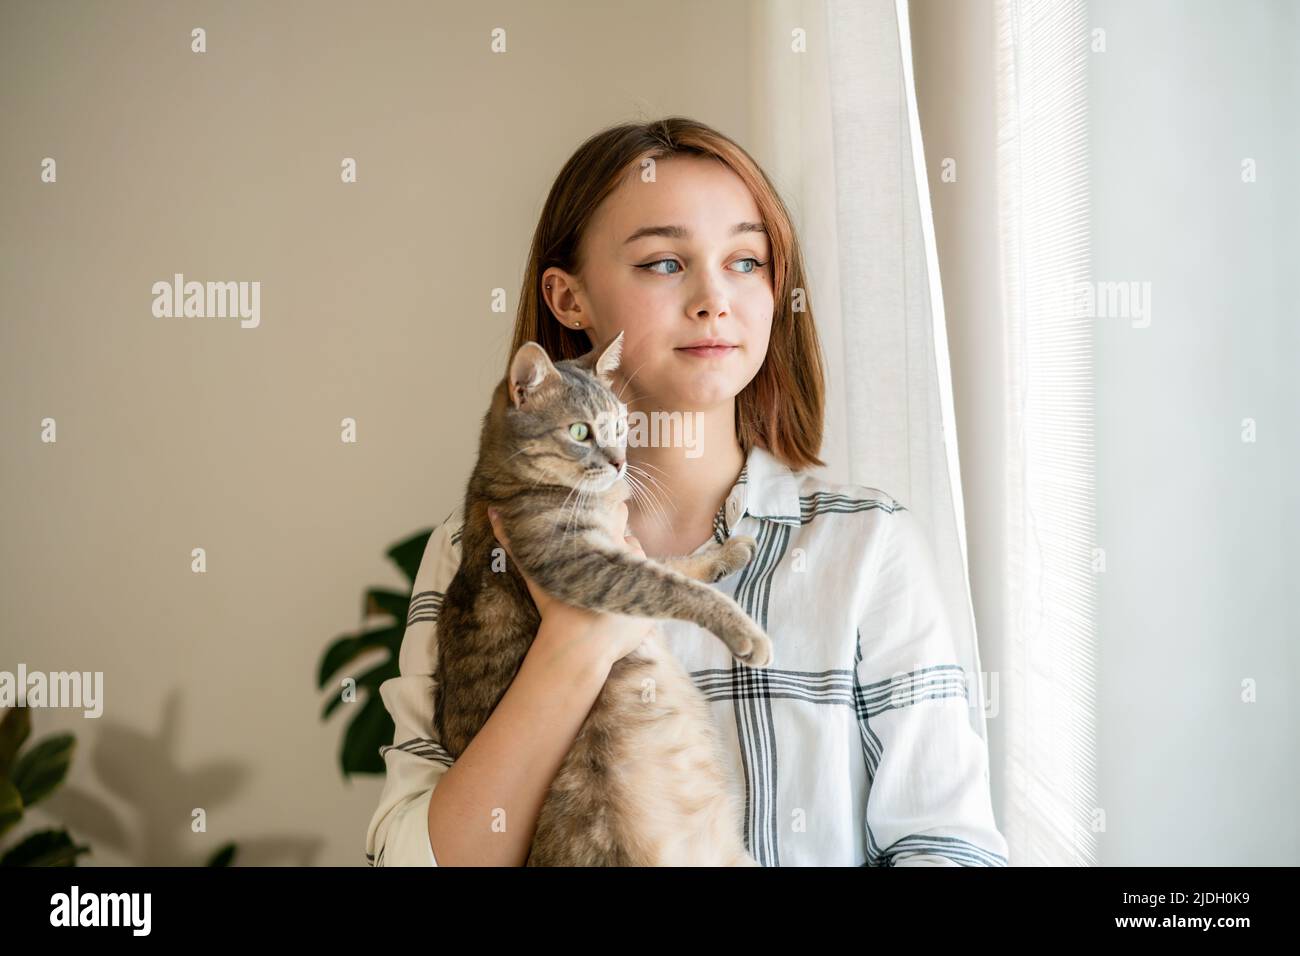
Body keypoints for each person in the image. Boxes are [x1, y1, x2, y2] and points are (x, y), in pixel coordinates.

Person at [365, 117, 1009, 867]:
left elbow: (949, 848)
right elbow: (411, 858)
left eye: (745, 260)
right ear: (568, 299)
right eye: (665, 263)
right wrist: (575, 645)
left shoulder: (865, 546)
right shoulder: (473, 548)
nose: (713, 298)